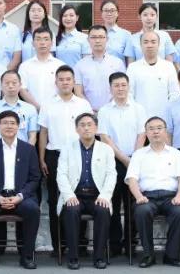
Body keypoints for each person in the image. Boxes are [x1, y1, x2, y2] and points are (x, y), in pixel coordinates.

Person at [38, 66, 94, 254]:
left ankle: (80, 244)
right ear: (56, 82)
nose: (65, 82)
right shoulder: (48, 104)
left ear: (73, 81)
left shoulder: (83, 104)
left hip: (80, 154)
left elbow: (90, 131)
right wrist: (42, 158)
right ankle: (59, 245)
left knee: (80, 198)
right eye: (61, 79)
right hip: (55, 155)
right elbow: (43, 133)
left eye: (68, 79)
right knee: (55, 200)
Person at [0, 111, 42, 270]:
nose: (9, 126)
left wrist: (20, 196)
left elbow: (35, 178)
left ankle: (27, 256)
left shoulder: (28, 149)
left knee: (32, 209)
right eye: (5, 123)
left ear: (18, 126)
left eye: (12, 123)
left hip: (21, 196)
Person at [126, 116, 180, 268]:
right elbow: (132, 179)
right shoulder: (139, 154)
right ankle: (149, 255)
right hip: (147, 197)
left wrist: (179, 196)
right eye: (151, 129)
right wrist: (138, 196)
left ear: (165, 131)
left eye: (159, 128)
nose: (155, 132)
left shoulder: (175, 153)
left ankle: (171, 255)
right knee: (142, 211)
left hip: (171, 197)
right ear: (146, 133)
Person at [97, 72, 147, 257]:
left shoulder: (138, 109)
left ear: (128, 86)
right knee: (114, 203)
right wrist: (124, 159)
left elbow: (142, 134)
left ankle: (130, 244)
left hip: (136, 159)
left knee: (133, 203)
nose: (120, 88)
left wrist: (134, 157)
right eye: (116, 85)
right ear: (110, 88)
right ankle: (114, 244)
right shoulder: (104, 111)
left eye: (123, 85)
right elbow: (104, 137)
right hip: (113, 161)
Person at [56, 113, 116, 270]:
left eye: (90, 124)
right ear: (76, 129)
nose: (86, 128)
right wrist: (69, 196)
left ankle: (99, 257)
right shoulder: (67, 148)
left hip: (97, 196)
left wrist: (105, 196)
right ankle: (73, 257)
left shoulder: (106, 149)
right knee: (71, 210)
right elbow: (61, 174)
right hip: (75, 195)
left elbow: (111, 175)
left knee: (103, 210)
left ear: (96, 128)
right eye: (82, 125)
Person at [126, 30, 180, 120]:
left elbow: (174, 93)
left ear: (159, 45)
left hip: (164, 119)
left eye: (153, 42)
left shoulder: (168, 66)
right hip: (140, 119)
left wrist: (168, 115)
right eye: (145, 42)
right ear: (141, 45)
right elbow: (129, 94)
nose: (149, 45)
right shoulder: (132, 67)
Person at [74, 25, 127, 111]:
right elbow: (78, 92)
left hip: (113, 111)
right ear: (88, 40)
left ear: (107, 39)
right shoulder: (80, 65)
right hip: (88, 113)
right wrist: (90, 111)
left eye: (101, 37)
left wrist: (107, 110)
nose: (97, 40)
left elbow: (122, 89)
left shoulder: (118, 63)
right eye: (93, 37)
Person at [0, 69, 40, 144]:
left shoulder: (30, 109)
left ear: (20, 85)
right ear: (1, 86)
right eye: (7, 83)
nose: (10, 86)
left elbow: (32, 137)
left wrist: (26, 151)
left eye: (14, 83)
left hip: (23, 150)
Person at [18, 27, 66, 108]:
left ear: (52, 43)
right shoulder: (25, 66)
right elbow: (22, 90)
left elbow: (65, 89)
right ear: (33, 43)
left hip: (56, 109)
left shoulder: (60, 66)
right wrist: (37, 108)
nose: (42, 43)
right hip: (32, 110)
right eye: (38, 39)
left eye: (46, 39)